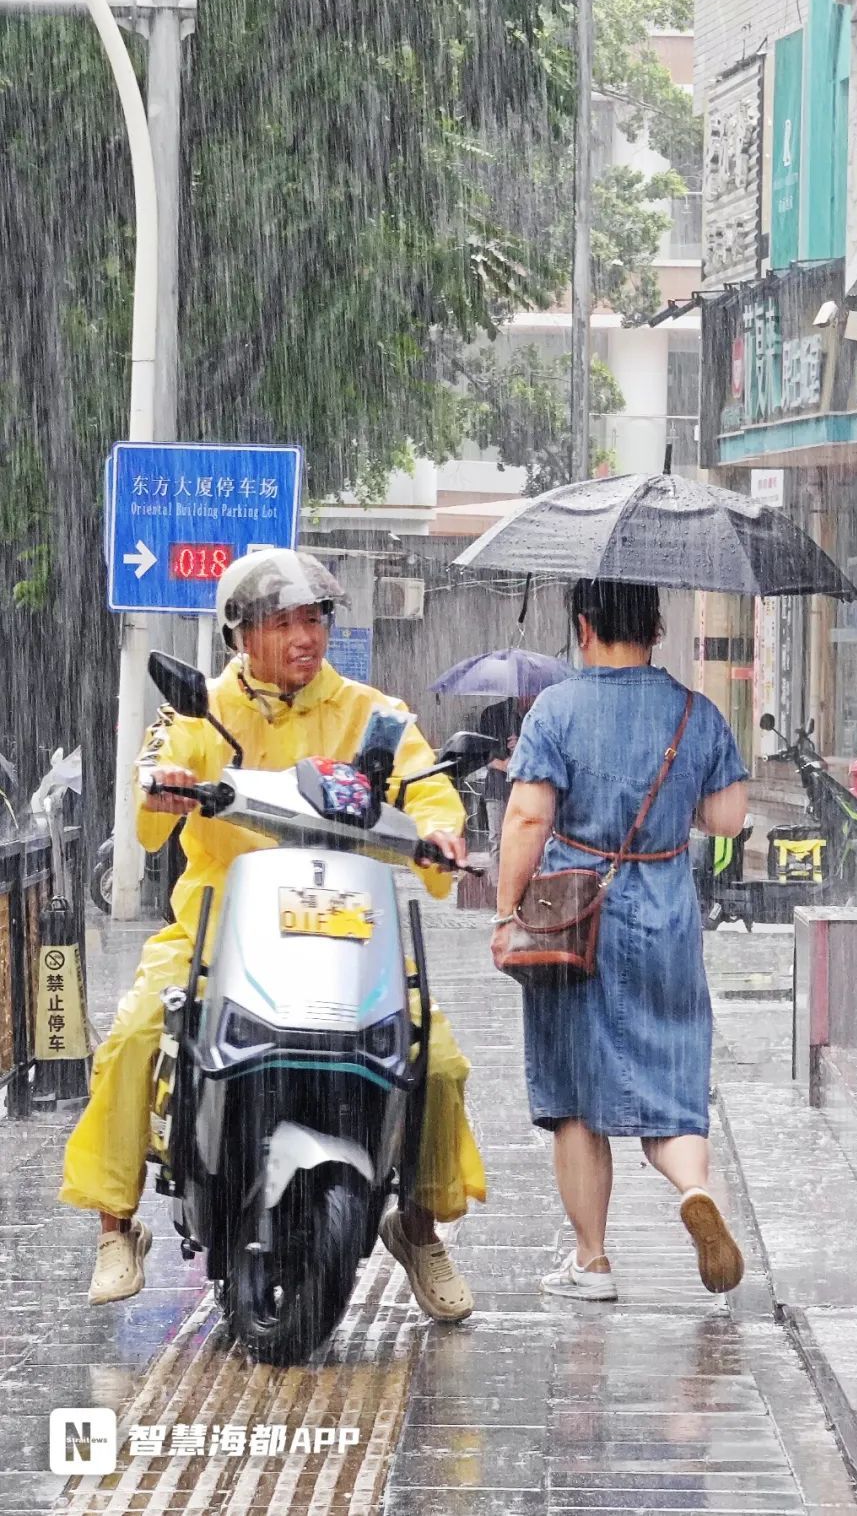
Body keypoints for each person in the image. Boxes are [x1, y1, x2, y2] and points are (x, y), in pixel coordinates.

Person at [60, 549, 484, 1322]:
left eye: (313, 619)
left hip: (344, 923)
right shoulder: (201, 709)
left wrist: (441, 833)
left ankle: (417, 1226)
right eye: (282, 622)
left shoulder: (373, 713)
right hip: (220, 923)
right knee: (130, 1037)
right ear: (240, 635)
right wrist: (168, 788)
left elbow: (428, 790)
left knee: (439, 1060)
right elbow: (152, 794)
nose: (304, 637)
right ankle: (116, 1226)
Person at [490, 578, 748, 1302]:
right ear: (656, 629)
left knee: (576, 1095)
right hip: (665, 912)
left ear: (584, 625)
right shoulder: (695, 712)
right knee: (670, 1077)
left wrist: (508, 911)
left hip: (575, 919)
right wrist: (667, 805)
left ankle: (592, 1260)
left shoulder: (557, 708)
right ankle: (695, 1189)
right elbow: (728, 818)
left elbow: (527, 820)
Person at [478, 696, 534, 865]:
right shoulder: (494, 715)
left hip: (527, 788)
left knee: (526, 841)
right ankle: (498, 888)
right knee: (498, 841)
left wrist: (523, 746)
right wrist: (504, 764)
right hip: (498, 788)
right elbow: (481, 754)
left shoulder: (537, 716)